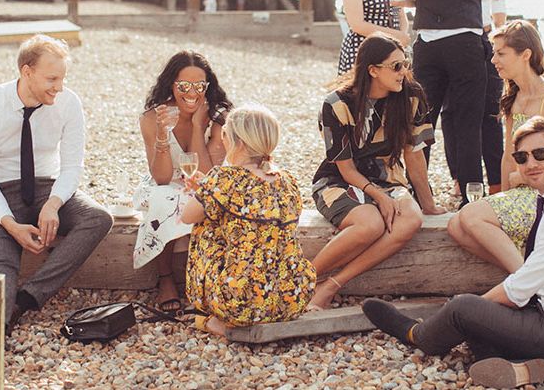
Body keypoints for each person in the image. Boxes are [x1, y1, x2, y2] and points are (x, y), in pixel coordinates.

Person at [363, 116, 544, 388]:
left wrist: (466, 312)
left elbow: (518, 290)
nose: (530, 164)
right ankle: (518, 368)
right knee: (481, 313)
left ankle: (419, 334)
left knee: (464, 307)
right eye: (522, 157)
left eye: (540, 154)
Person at [0, 35, 113, 335]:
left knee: (98, 218)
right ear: (26, 72)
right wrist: (11, 225)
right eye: (52, 78)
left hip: (49, 187)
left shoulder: (69, 103)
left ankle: (29, 296)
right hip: (0, 191)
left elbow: (73, 166)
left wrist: (54, 203)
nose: (59, 87)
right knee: (1, 256)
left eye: (62, 78)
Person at [390, 0, 506, 205]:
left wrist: (424, 0)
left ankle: (415, 195)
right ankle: (471, 198)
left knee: (423, 124)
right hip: (466, 43)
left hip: (427, 44)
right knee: (469, 122)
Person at [310, 33, 446, 310]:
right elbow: (345, 167)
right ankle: (301, 279)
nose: (404, 72)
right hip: (338, 180)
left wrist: (428, 203)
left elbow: (414, 155)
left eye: (405, 63)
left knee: (411, 219)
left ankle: (332, 285)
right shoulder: (336, 104)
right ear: (373, 70)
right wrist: (379, 197)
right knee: (370, 224)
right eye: (396, 66)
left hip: (388, 178)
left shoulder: (412, 97)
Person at [447, 19, 544, 272]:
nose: (493, 60)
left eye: (501, 53)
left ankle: (527, 284)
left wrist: (516, 179)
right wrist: (503, 195)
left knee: (470, 216)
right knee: (456, 226)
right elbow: (509, 156)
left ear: (525, 55)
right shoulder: (514, 97)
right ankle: (527, 270)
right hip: (526, 189)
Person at [181, 104, 315, 336]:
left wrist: (206, 191)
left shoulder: (225, 179)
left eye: (224, 134)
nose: (222, 140)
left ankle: (212, 317)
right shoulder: (288, 181)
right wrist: (210, 190)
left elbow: (187, 216)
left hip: (238, 302)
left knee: (205, 223)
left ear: (239, 142)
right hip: (291, 297)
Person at [134, 50, 232, 314]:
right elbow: (162, 177)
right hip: (164, 182)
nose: (193, 92)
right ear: (171, 85)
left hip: (203, 180)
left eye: (200, 85)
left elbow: (207, 175)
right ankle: (165, 277)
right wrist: (164, 135)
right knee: (165, 197)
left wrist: (200, 127)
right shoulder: (153, 118)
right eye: (184, 86)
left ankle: (204, 279)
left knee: (205, 201)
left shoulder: (218, 119)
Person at [440, 0, 518, 197]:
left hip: (483, 40)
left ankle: (496, 184)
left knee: (489, 114)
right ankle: (461, 181)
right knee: (451, 115)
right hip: (454, 40)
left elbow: (497, 0)